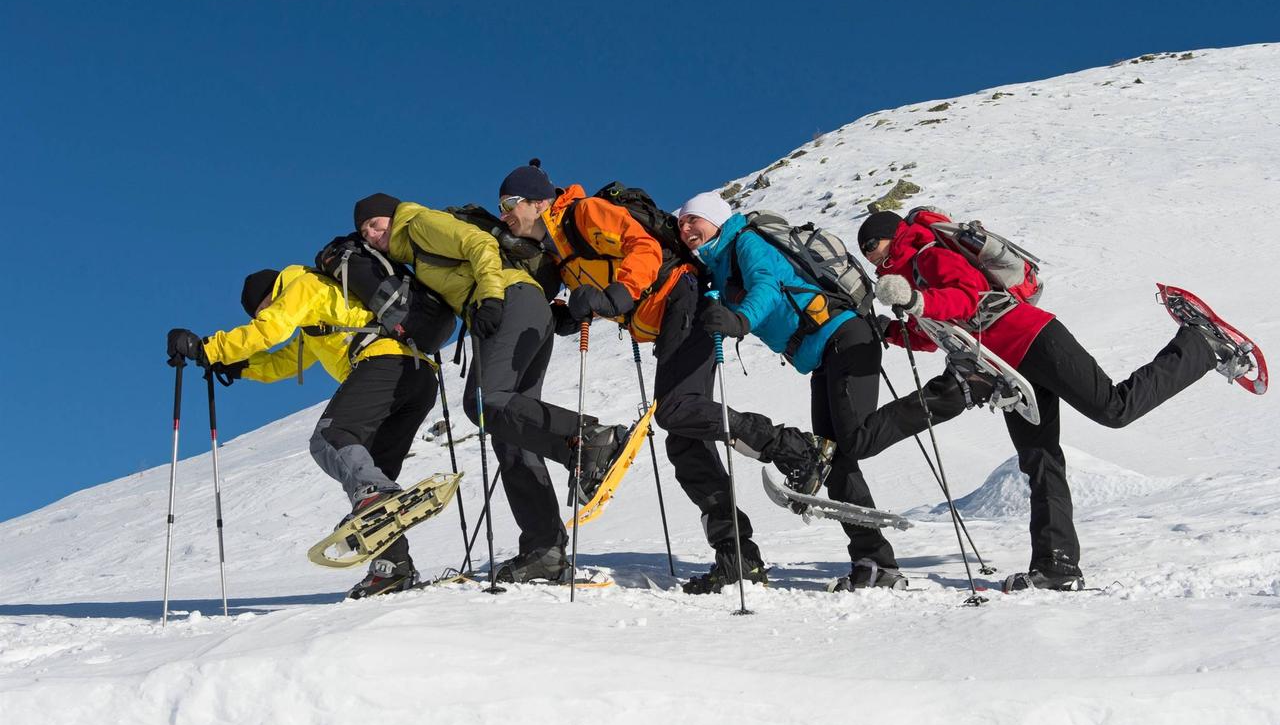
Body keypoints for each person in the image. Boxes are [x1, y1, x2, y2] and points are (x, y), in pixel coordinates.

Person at [859, 209, 1255, 592]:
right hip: (1006, 369)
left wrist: (917, 301)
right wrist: (890, 329)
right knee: (1040, 462)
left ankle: (1200, 346)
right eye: (864, 251)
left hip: (1033, 339)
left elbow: (968, 297)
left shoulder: (929, 255)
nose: (869, 254)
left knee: (1113, 409)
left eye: (872, 243)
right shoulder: (906, 276)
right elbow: (932, 334)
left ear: (894, 236)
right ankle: (1057, 566)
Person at [497, 164, 834, 594]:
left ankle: (797, 448)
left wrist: (616, 296)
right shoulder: (559, 249)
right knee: (684, 439)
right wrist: (575, 312)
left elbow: (643, 249)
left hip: (683, 296)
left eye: (510, 205)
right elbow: (600, 288)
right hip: (665, 316)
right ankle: (738, 558)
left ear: (539, 201)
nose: (505, 215)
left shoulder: (583, 214)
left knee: (676, 410)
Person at [678, 194, 971, 592]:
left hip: (846, 337)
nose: (686, 228)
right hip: (823, 352)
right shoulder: (718, 261)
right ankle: (875, 563)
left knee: (856, 439)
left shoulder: (744, 240)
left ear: (716, 219)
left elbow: (767, 283)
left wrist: (740, 318)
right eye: (681, 223)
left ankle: (956, 390)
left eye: (693, 219)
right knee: (833, 460)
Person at [352, 192, 628, 584]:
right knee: (511, 433)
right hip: (530, 308)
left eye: (376, 224)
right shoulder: (410, 251)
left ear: (391, 216)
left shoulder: (416, 223)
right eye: (365, 232)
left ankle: (588, 439)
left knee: (485, 402)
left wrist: (491, 299)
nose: (373, 234)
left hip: (509, 300)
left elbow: (477, 243)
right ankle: (543, 550)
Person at [165, 265, 438, 598]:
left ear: (270, 295)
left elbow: (269, 331)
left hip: (386, 365)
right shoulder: (316, 323)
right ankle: (392, 567)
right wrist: (237, 366)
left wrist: (208, 347)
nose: (264, 315)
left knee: (330, 437)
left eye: (262, 310)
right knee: (369, 475)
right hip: (417, 379)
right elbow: (283, 361)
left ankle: (376, 499)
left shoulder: (302, 285)